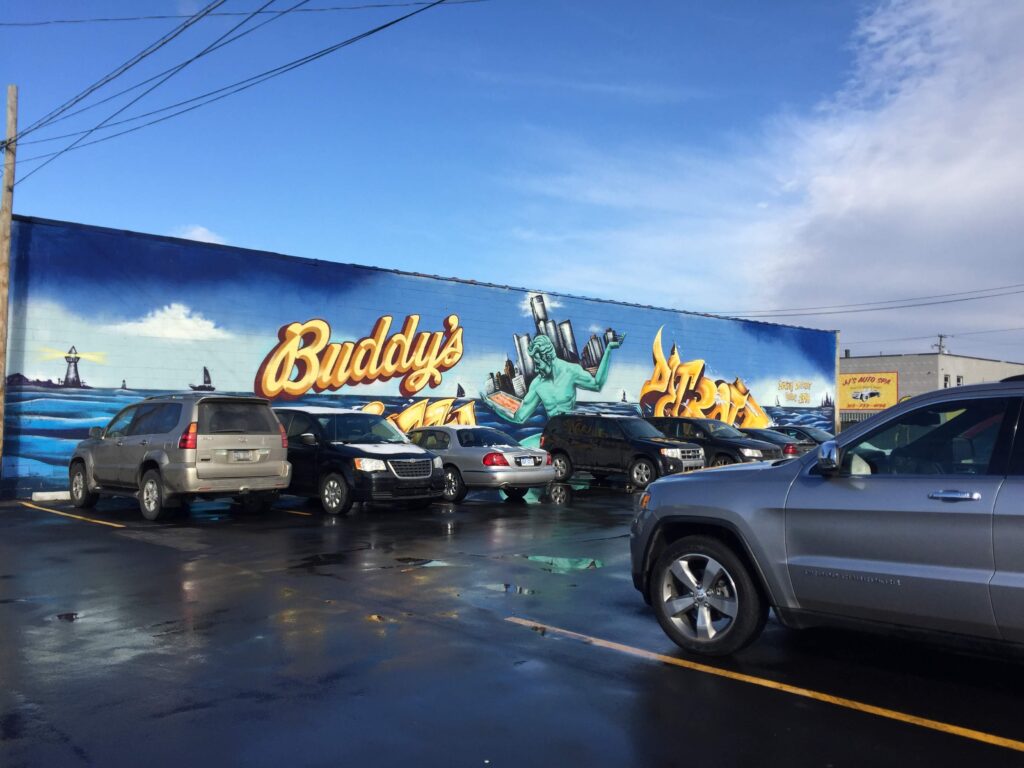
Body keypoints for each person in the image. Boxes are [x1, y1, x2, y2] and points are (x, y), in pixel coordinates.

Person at [497, 333, 624, 423]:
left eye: (538, 363)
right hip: (553, 435)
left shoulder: (571, 371)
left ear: (547, 357)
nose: (536, 369)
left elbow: (597, 384)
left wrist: (608, 350)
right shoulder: (538, 384)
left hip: (572, 431)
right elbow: (519, 417)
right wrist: (495, 407)